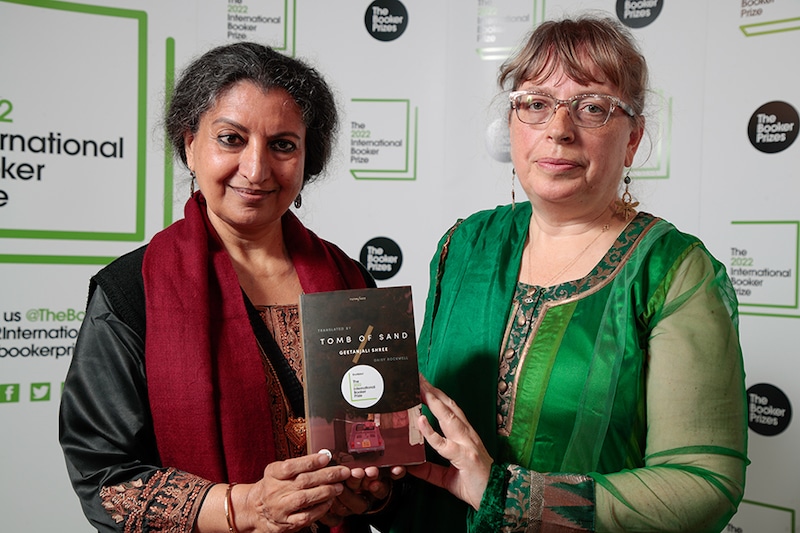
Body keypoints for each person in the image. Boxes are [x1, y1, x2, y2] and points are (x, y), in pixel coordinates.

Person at [390, 15, 748, 533]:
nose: (558, 129)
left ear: (632, 139)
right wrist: (375, 487)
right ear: (512, 125)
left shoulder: (672, 270)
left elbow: (704, 482)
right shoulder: (465, 245)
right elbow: (424, 426)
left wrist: (508, 496)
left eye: (592, 107)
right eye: (536, 104)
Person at [59, 42, 399, 533]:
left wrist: (374, 493)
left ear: (309, 157)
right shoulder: (130, 292)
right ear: (190, 145)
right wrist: (247, 508)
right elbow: (104, 480)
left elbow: (386, 452)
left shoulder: (351, 281)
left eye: (283, 145)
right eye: (231, 139)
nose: (256, 169)